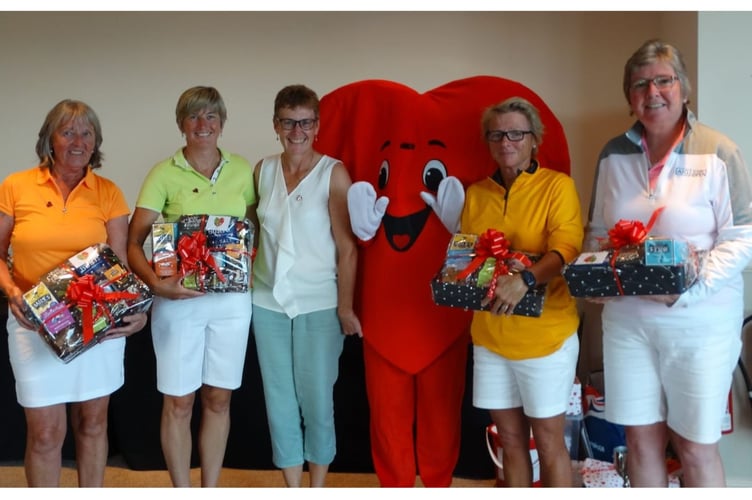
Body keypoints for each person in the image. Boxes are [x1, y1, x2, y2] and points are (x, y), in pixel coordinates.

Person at [584, 39, 752, 487]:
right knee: (639, 440)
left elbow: (743, 237)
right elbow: (597, 234)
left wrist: (688, 290)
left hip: (700, 323)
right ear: (629, 96)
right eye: (640, 84)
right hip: (628, 325)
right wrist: (598, 279)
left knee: (695, 446)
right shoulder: (612, 155)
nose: (652, 92)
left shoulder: (719, 151)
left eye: (663, 80)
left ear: (683, 88)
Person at [0, 99, 148, 487]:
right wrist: (12, 290)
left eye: (87, 133)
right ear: (50, 139)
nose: (78, 141)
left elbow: (119, 266)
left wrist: (137, 312)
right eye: (68, 132)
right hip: (33, 325)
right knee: (46, 433)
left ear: (96, 142)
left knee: (93, 424)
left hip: (96, 323)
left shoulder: (108, 192)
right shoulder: (16, 186)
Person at [127, 86, 256, 487]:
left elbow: (252, 231)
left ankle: (209, 489)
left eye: (211, 116)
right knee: (179, 402)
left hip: (232, 303)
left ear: (222, 123)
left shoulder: (241, 169)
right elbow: (134, 243)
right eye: (194, 117)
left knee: (219, 400)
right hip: (178, 303)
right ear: (182, 124)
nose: (203, 125)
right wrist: (158, 286)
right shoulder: (163, 173)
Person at [460, 96, 583, 487]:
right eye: (496, 134)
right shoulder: (476, 193)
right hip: (491, 337)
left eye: (516, 133)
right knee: (509, 442)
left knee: (548, 444)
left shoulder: (557, 186)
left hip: (545, 339)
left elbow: (567, 248)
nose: (506, 142)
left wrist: (526, 278)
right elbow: (468, 254)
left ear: (534, 140)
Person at [249, 84, 362, 488]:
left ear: (317, 125)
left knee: (316, 400)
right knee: (278, 400)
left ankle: (316, 487)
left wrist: (345, 308)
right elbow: (249, 235)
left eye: (305, 122)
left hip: (319, 302)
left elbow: (348, 250)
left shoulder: (334, 173)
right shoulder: (262, 170)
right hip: (267, 301)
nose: (297, 130)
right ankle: (293, 488)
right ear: (276, 124)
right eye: (288, 122)